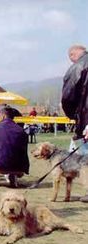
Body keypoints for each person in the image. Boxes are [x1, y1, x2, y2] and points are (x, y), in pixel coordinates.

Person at [61, 44, 88, 201]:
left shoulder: (78, 67)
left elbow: (68, 97)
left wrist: (74, 116)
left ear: (73, 55)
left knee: (86, 158)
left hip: (86, 119)